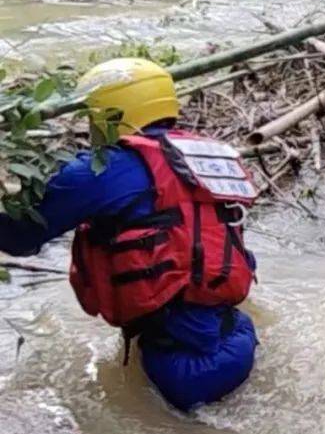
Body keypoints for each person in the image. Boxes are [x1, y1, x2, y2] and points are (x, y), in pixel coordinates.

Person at [0, 58, 259, 411]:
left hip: (178, 369)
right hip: (237, 336)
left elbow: (20, 237)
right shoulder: (208, 157)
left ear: (110, 113)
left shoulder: (101, 169)